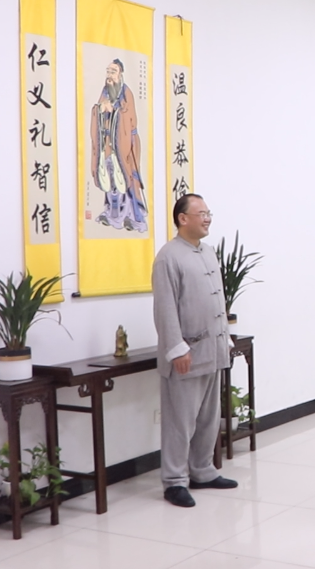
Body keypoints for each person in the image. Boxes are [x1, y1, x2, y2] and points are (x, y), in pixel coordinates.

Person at [152, 193, 238, 508]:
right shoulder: (168, 257)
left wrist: (225, 339)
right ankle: (174, 481)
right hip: (186, 352)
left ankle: (202, 470)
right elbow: (164, 308)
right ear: (182, 218)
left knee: (208, 417)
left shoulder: (208, 252)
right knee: (180, 421)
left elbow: (218, 300)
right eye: (201, 213)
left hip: (213, 349)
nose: (207, 218)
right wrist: (177, 349)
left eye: (208, 213)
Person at [91, 58, 147, 232]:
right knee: (110, 180)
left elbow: (129, 117)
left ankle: (134, 218)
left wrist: (113, 110)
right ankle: (112, 215)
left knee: (127, 179)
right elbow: (97, 111)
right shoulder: (105, 91)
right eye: (108, 71)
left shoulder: (126, 92)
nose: (109, 75)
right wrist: (100, 109)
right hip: (108, 145)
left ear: (120, 74)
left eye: (113, 72)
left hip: (125, 144)